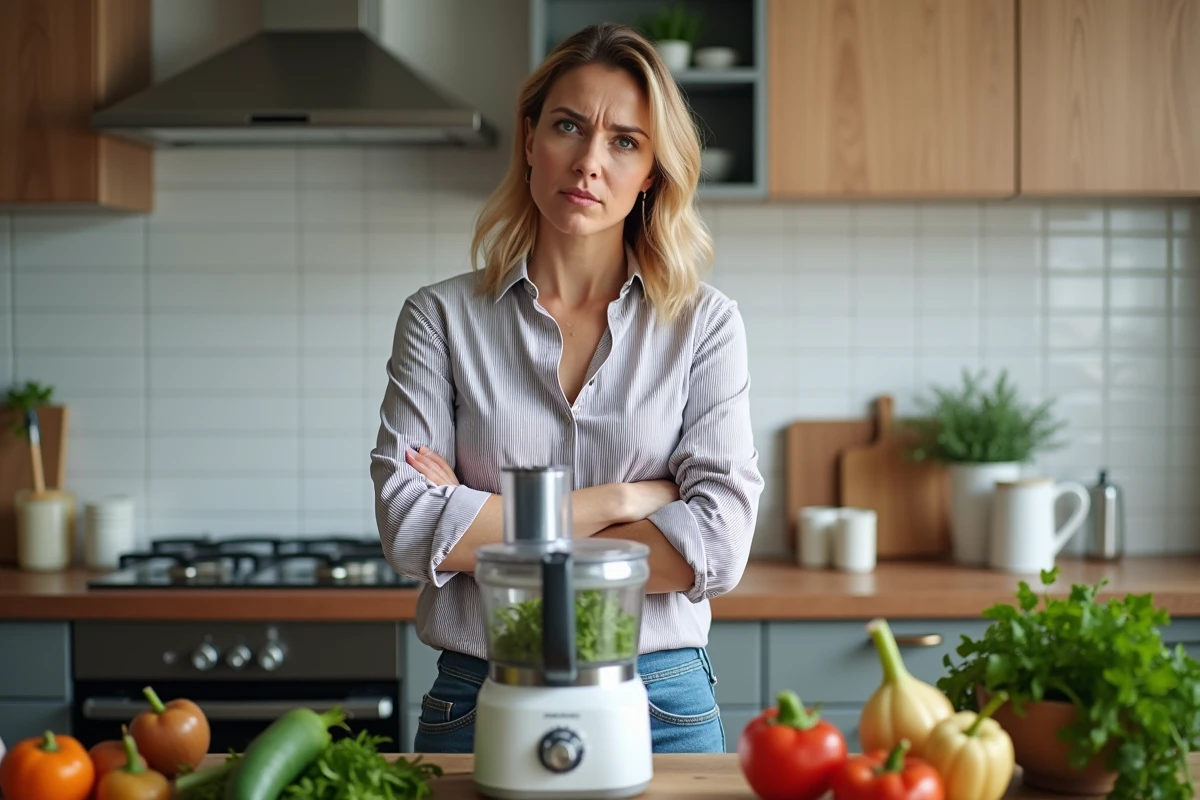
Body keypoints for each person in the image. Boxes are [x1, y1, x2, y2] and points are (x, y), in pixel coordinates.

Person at [370, 21, 763, 755]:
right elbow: (408, 526)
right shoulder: (440, 318)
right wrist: (623, 501)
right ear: (529, 140)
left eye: (624, 141)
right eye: (568, 126)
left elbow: (717, 545)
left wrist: (483, 527)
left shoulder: (705, 325)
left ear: (651, 171)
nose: (588, 162)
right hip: (482, 694)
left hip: (660, 702)